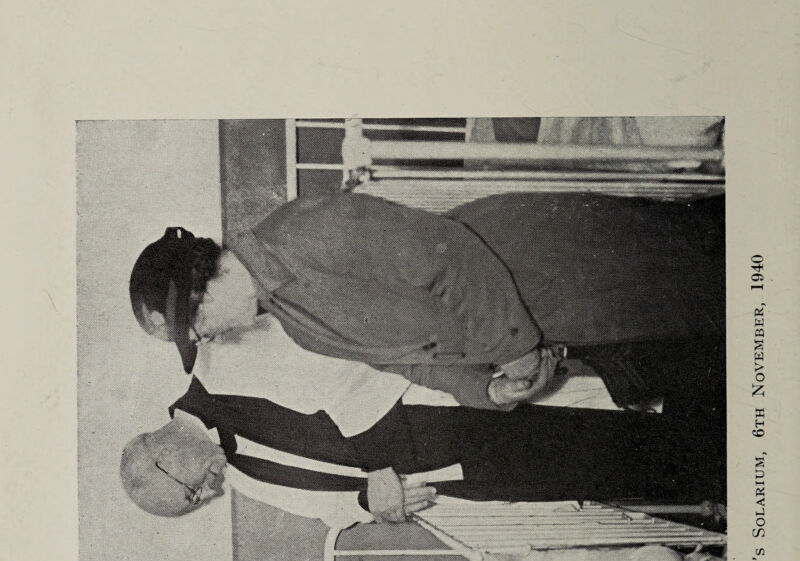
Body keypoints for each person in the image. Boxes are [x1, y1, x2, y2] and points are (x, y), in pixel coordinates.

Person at [128, 189, 725, 413]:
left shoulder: (304, 233)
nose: (211, 340)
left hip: (546, 267)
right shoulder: (294, 323)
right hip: (541, 328)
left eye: (199, 329)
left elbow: (448, 261)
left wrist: (513, 353)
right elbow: (408, 361)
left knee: (716, 272)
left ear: (204, 291)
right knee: (702, 346)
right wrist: (482, 389)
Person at [120, 328, 726, 525]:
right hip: (448, 473)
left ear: (164, 459)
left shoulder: (221, 365)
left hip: (427, 405)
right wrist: (369, 501)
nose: (211, 493)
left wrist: (373, 466)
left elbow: (336, 362)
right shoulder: (243, 477)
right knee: (601, 467)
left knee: (592, 399)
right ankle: (729, 465)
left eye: (194, 493)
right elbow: (334, 506)